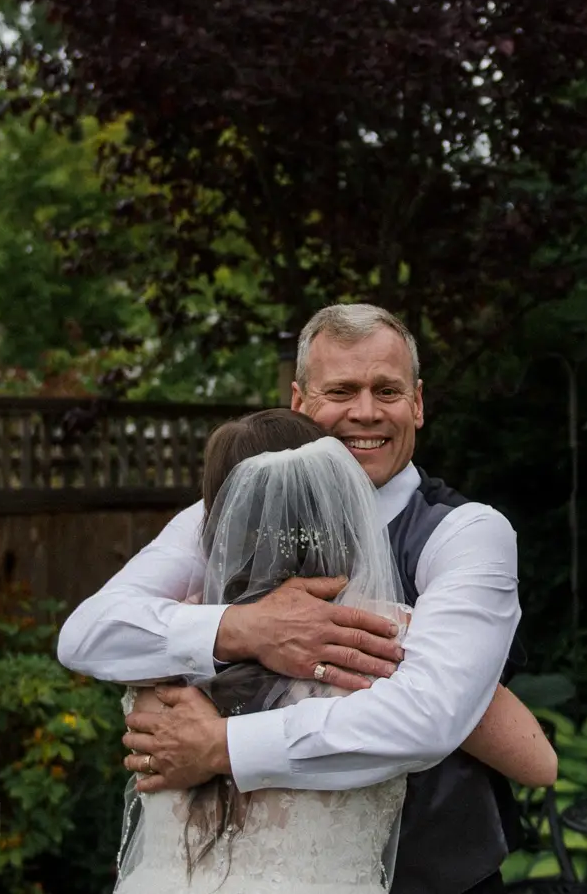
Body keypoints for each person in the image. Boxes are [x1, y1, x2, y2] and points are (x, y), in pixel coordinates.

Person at [60, 305, 529, 894]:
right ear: (300, 402)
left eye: (387, 390)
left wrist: (222, 748)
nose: (365, 411)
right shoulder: (222, 520)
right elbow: (88, 633)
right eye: (341, 390)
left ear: (417, 403)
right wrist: (240, 630)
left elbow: (430, 717)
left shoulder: (465, 532)